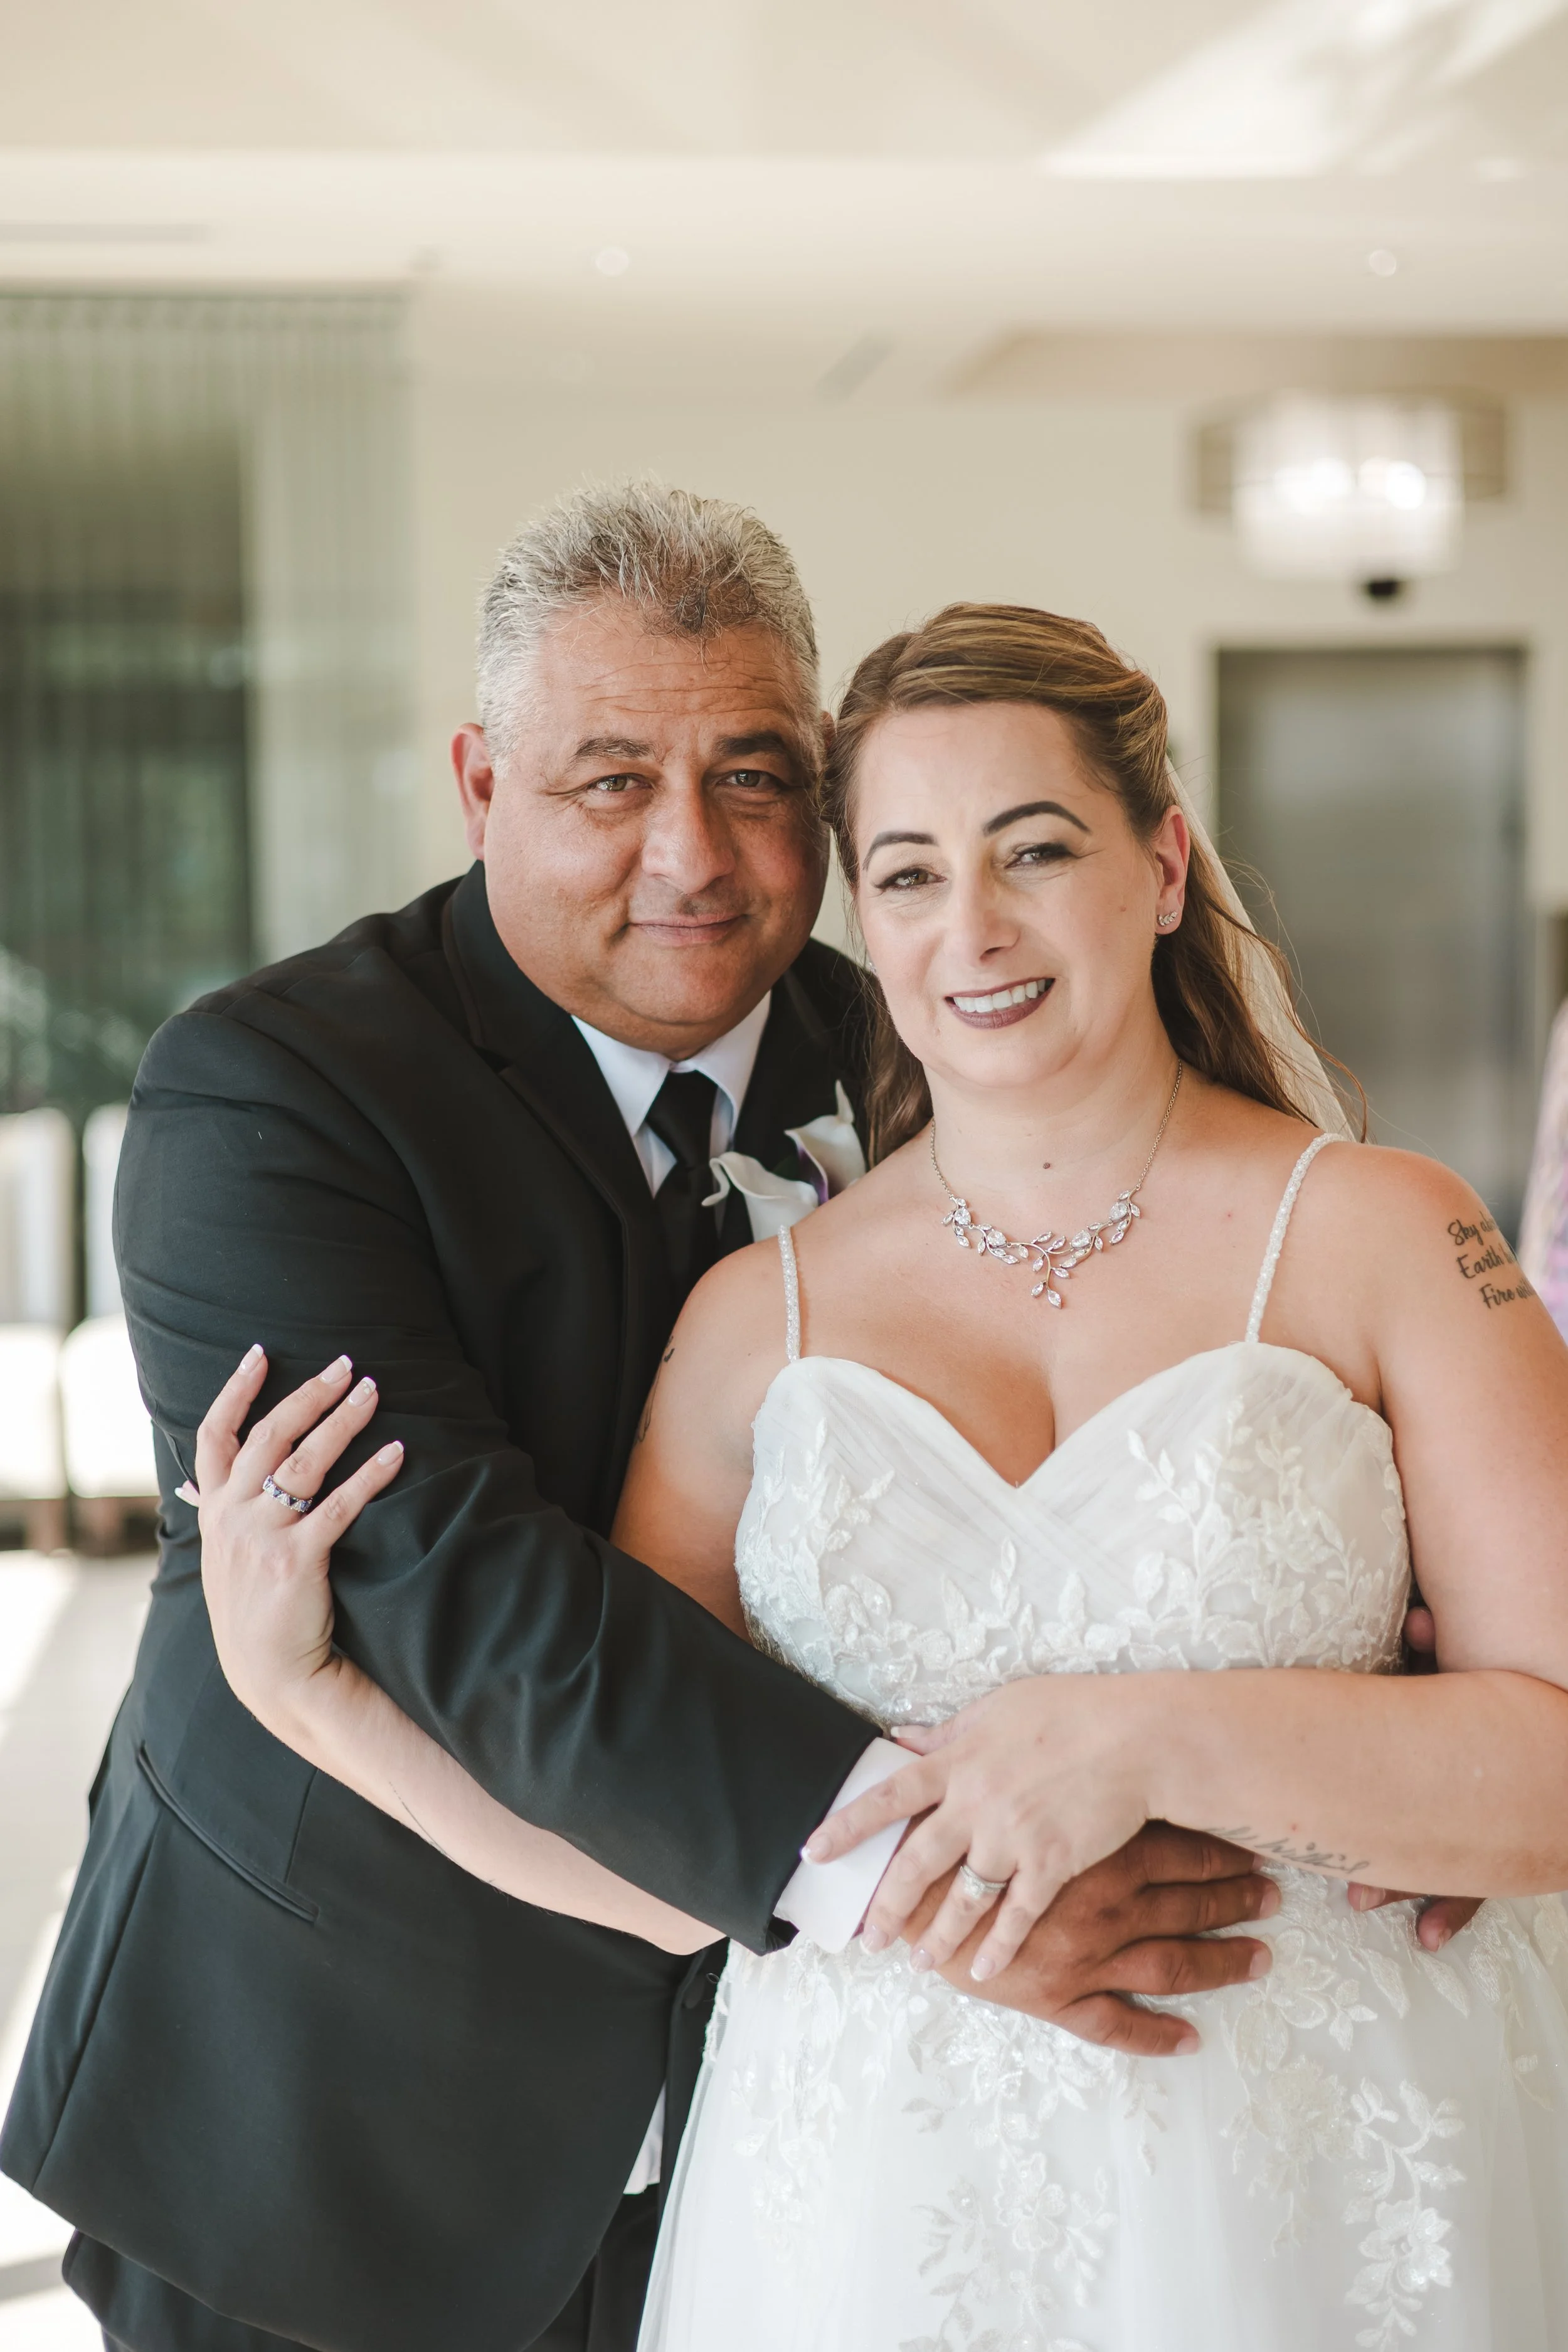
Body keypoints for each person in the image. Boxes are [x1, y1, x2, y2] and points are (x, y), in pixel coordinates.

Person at [184, 600, 1557, 2349]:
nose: (968, 926)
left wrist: (1145, 1736)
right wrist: (311, 1700)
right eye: (904, 873)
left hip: (1336, 2183)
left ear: (1158, 862)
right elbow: (653, 1833)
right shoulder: (759, 1319)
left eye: (1032, 849)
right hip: (877, 2207)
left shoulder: (1386, 1232)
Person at [0, 497, 1293, 2352]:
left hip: (787, 2121)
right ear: (478, 782)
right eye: (609, 780)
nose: (690, 853)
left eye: (755, 776)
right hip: (344, 2113)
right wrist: (938, 1888)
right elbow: (456, 1587)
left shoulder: (906, 1047)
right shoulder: (273, 1093)